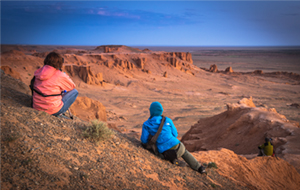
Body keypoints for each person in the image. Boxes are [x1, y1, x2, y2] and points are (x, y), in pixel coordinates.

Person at [141, 101, 206, 174]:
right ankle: (199, 168)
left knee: (157, 152)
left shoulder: (146, 124)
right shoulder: (167, 120)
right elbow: (175, 134)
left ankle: (173, 160)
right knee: (184, 152)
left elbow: (144, 140)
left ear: (151, 111)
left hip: (166, 153)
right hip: (179, 148)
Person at [32, 52, 78, 117]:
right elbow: (72, 86)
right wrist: (64, 75)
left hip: (36, 106)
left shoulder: (38, 72)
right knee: (75, 92)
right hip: (52, 110)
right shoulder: (59, 75)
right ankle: (59, 113)